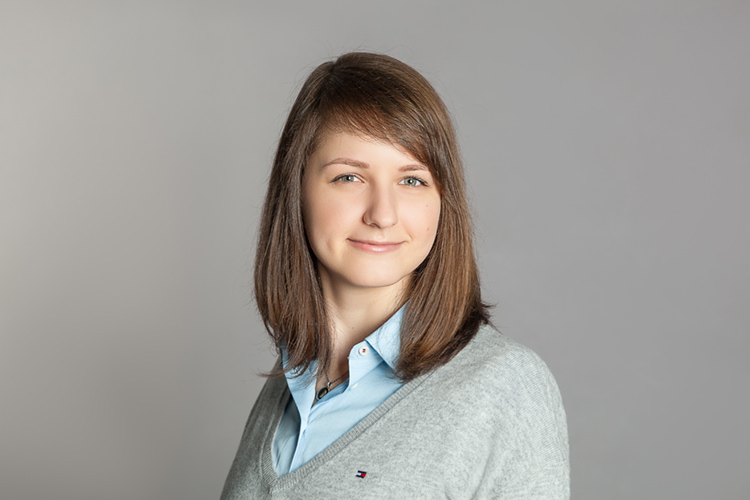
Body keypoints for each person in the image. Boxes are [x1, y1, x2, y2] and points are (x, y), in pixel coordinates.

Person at [221, 52, 569, 499]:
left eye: (412, 180)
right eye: (349, 177)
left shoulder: (504, 387)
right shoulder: (292, 380)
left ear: (443, 200)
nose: (382, 214)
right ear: (297, 191)